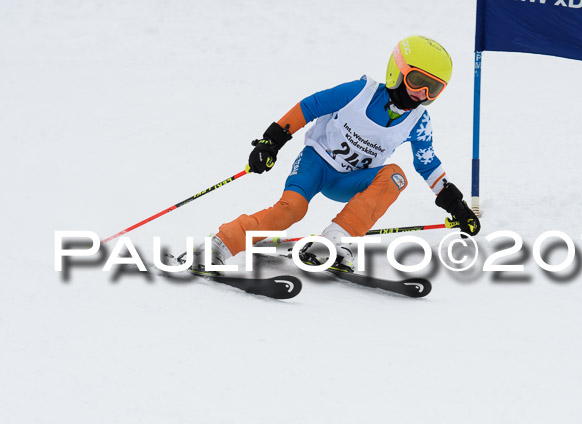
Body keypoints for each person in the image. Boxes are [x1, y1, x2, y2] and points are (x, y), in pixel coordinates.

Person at [191, 35, 480, 275]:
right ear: (398, 70)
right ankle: (218, 245)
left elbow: (427, 164)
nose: (422, 94)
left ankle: (334, 241)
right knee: (291, 209)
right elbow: (310, 106)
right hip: (316, 163)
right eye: (417, 81)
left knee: (396, 177)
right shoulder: (360, 92)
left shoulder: (419, 122)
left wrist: (456, 204)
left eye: (434, 88)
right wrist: (271, 142)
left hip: (351, 181)